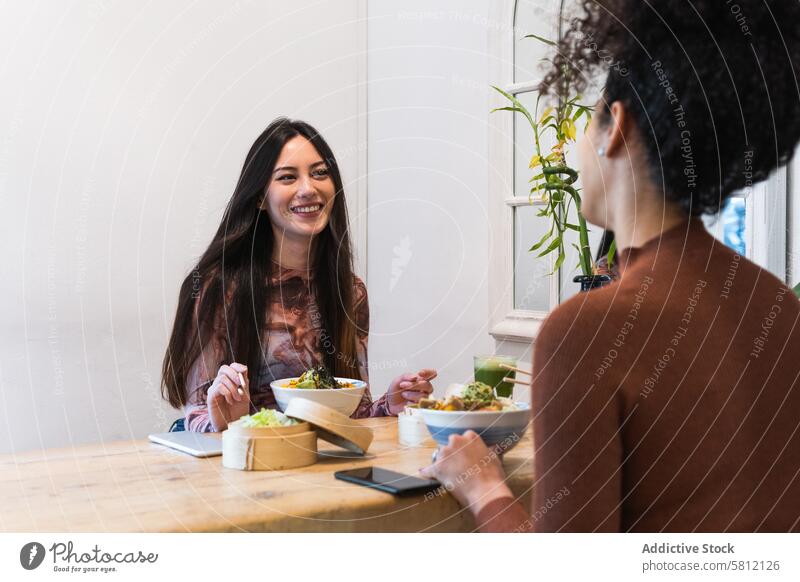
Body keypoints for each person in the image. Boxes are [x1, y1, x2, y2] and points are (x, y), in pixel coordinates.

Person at [422, 0, 800, 532]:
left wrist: (483, 485)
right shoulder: (779, 307)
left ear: (614, 127)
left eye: (587, 120)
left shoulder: (586, 332)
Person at [161, 118, 434, 432]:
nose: (308, 188)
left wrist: (390, 404)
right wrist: (225, 420)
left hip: (318, 470)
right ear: (260, 198)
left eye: (320, 173)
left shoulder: (349, 290)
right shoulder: (216, 287)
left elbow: (348, 415)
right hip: (243, 467)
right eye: (288, 177)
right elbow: (196, 418)